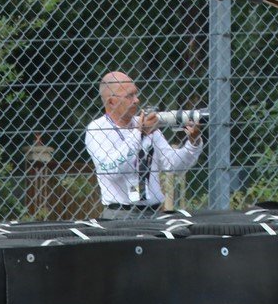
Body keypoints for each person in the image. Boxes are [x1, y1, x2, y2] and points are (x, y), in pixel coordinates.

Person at [84, 71, 203, 220]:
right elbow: (111, 171)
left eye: (136, 94)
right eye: (129, 96)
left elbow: (173, 164)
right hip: (120, 214)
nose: (137, 100)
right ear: (111, 102)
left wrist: (193, 143)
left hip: (154, 212)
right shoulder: (97, 129)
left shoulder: (146, 124)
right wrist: (139, 134)